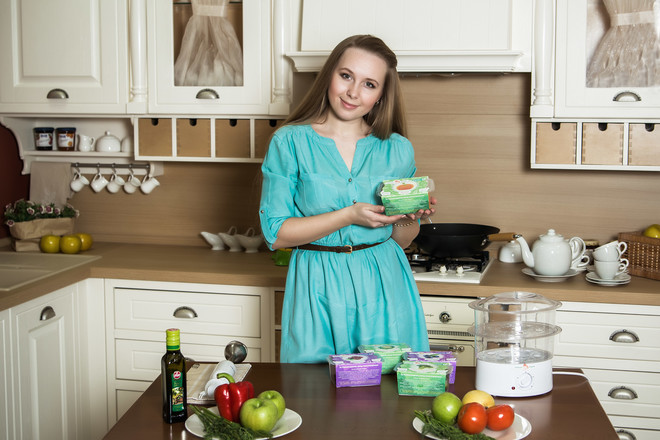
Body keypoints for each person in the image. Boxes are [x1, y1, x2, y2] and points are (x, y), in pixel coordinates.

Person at [259, 34, 434, 363]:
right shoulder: (289, 142)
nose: (354, 92)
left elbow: (401, 239)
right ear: (329, 75)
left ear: (381, 95)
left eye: (369, 84)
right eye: (346, 76)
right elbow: (276, 233)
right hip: (317, 282)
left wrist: (412, 215)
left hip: (384, 280)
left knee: (390, 396)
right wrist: (349, 216)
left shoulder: (397, 149)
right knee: (314, 396)